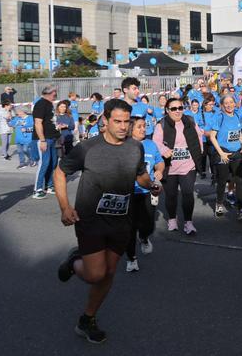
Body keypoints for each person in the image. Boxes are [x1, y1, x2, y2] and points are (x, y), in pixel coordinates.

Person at [54, 98, 161, 344]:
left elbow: (141, 175)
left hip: (121, 220)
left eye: (127, 121)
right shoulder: (88, 148)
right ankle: (74, 262)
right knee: (95, 274)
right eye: (118, 121)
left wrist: (152, 185)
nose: (123, 126)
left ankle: (87, 319)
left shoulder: (136, 148)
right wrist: (64, 207)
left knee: (109, 272)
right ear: (105, 120)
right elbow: (60, 172)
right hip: (90, 219)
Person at [154, 97, 204, 235]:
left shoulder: (190, 121)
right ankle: (172, 219)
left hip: (188, 165)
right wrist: (164, 150)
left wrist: (199, 150)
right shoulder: (161, 124)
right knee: (171, 195)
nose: (177, 111)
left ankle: (188, 222)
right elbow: (156, 142)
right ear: (167, 110)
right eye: (174, 108)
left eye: (180, 108)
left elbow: (199, 136)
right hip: (169, 167)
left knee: (188, 193)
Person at [125, 116, 164, 273]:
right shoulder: (124, 146)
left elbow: (159, 161)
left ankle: (144, 237)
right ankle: (131, 259)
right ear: (130, 129)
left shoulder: (150, 144)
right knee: (129, 228)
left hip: (148, 190)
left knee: (148, 224)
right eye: (139, 126)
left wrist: (159, 170)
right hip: (128, 192)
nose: (144, 128)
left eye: (145, 126)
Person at [208, 95, 242, 219]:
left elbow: (239, 132)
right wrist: (220, 152)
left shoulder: (237, 115)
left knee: (239, 180)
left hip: (236, 153)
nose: (229, 105)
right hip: (224, 153)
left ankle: (241, 208)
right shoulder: (219, 117)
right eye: (226, 103)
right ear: (222, 105)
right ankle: (219, 203)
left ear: (235, 103)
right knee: (222, 180)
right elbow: (212, 136)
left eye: (231, 102)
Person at [32, 85, 61, 199]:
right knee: (44, 163)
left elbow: (51, 122)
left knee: (53, 163)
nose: (56, 95)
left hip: (52, 137)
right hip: (44, 139)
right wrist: (42, 140)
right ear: (50, 93)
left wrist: (58, 133)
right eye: (55, 93)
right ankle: (37, 189)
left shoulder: (49, 104)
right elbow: (38, 123)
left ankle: (49, 186)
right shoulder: (41, 104)